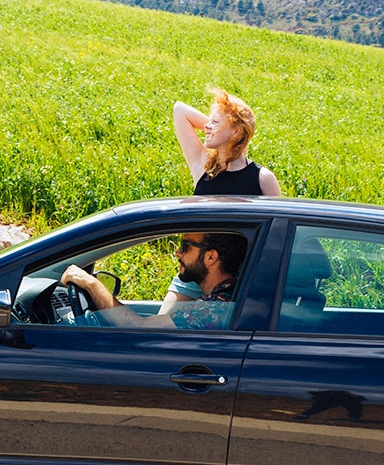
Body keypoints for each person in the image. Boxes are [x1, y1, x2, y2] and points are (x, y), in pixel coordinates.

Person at [164, 89, 279, 310]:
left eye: (214, 122)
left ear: (236, 131)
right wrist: (217, 127)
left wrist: (234, 127)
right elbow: (180, 110)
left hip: (237, 283)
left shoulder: (262, 178)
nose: (206, 125)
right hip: (193, 273)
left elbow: (273, 237)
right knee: (158, 333)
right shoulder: (203, 165)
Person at [61, 232, 247, 330]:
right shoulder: (228, 297)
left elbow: (137, 327)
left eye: (185, 247)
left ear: (211, 257)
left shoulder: (211, 310)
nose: (178, 253)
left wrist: (91, 284)